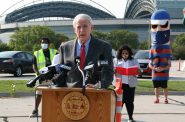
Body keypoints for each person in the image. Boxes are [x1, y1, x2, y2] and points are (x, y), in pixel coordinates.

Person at [58, 13, 114, 88]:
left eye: (85, 26)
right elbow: (60, 72)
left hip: (95, 93)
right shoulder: (65, 47)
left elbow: (108, 72)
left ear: (91, 28)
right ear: (74, 30)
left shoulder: (104, 47)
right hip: (70, 94)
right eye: (78, 27)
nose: (82, 30)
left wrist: (99, 85)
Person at [30, 37, 57, 117]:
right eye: (42, 43)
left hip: (52, 76)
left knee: (53, 94)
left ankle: (54, 111)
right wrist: (37, 73)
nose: (43, 44)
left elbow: (58, 62)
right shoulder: (36, 53)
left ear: (48, 44)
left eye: (45, 43)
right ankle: (35, 110)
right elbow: (34, 65)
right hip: (41, 77)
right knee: (39, 94)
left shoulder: (54, 52)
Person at [149, 9, 172, 104]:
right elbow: (150, 63)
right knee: (156, 87)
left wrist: (163, 68)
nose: (158, 29)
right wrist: (155, 68)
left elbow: (170, 64)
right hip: (155, 73)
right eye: (155, 26)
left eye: (163, 25)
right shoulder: (152, 49)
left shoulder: (168, 48)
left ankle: (166, 98)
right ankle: (157, 98)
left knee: (165, 87)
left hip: (164, 73)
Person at [114, 45, 139, 122]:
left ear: (129, 53)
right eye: (123, 53)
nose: (125, 55)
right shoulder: (116, 60)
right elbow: (112, 70)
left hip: (130, 84)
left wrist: (136, 72)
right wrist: (114, 71)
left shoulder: (134, 60)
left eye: (126, 53)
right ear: (120, 53)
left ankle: (130, 118)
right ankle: (116, 117)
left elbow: (138, 70)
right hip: (120, 85)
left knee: (130, 102)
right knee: (119, 102)